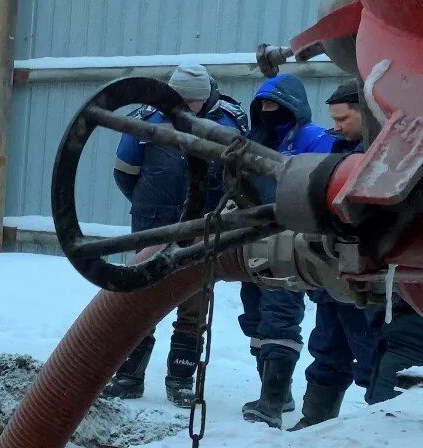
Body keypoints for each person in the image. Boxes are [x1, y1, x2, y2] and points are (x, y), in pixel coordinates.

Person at [103, 64, 247, 406]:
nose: (185, 108)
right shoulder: (145, 118)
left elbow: (239, 177)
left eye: (192, 103)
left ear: (204, 98)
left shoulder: (230, 121)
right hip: (152, 224)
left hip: (203, 226)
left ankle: (181, 379)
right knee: (139, 297)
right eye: (179, 100)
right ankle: (128, 376)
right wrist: (150, 206)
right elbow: (125, 173)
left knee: (194, 300)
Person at [239, 74, 337, 427]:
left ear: (293, 107)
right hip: (252, 238)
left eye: (274, 106)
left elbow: (327, 188)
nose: (267, 112)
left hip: (292, 242)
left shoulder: (316, 140)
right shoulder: (254, 141)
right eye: (262, 106)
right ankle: (277, 388)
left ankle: (271, 400)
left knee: (280, 315)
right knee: (254, 319)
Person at [291, 81, 380, 430]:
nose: (336, 125)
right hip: (330, 271)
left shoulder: (382, 159)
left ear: (366, 113)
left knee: (374, 356)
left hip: (365, 280)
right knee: (327, 348)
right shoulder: (336, 150)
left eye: (343, 118)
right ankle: (314, 419)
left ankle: (382, 426)